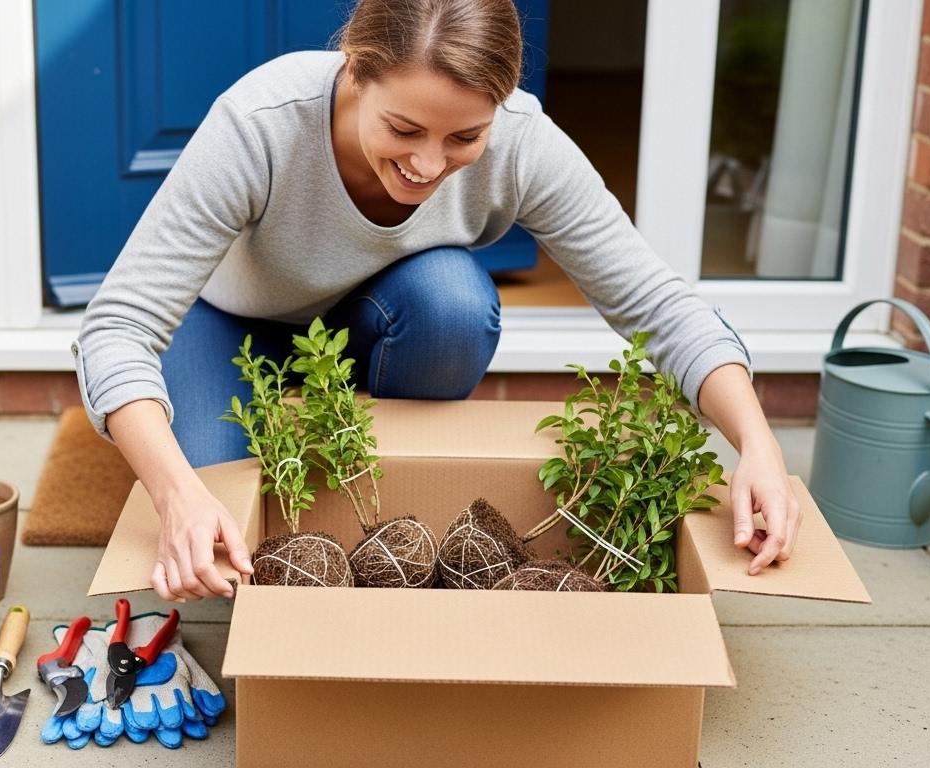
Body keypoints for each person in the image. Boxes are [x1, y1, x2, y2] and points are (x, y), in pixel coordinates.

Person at [73, 0, 801, 602]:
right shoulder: (262, 123)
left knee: (455, 305)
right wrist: (176, 497)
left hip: (381, 322)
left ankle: (361, 474)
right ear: (355, 71)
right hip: (228, 321)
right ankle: (237, 437)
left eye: (464, 137)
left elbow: (658, 304)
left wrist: (758, 445)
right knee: (221, 537)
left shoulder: (523, 145)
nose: (427, 165)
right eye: (403, 129)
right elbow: (116, 328)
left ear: (501, 106)